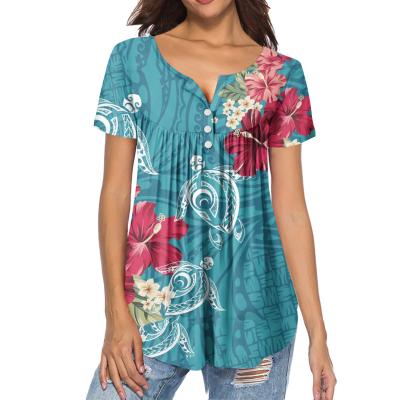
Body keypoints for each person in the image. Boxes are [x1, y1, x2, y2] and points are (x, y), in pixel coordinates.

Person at [86, 0, 337, 399]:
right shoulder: (132, 62)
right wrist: (115, 312)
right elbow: (114, 192)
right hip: (150, 309)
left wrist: (317, 333)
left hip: (255, 317)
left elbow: (291, 211)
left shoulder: (281, 75)